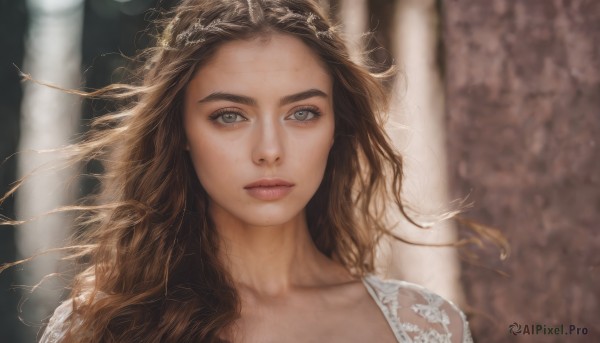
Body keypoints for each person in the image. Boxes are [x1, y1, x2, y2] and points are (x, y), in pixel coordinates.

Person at [24, 0, 473, 342]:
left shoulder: (425, 326)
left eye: (302, 113)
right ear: (180, 129)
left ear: (337, 125)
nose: (269, 151)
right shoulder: (102, 323)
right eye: (230, 116)